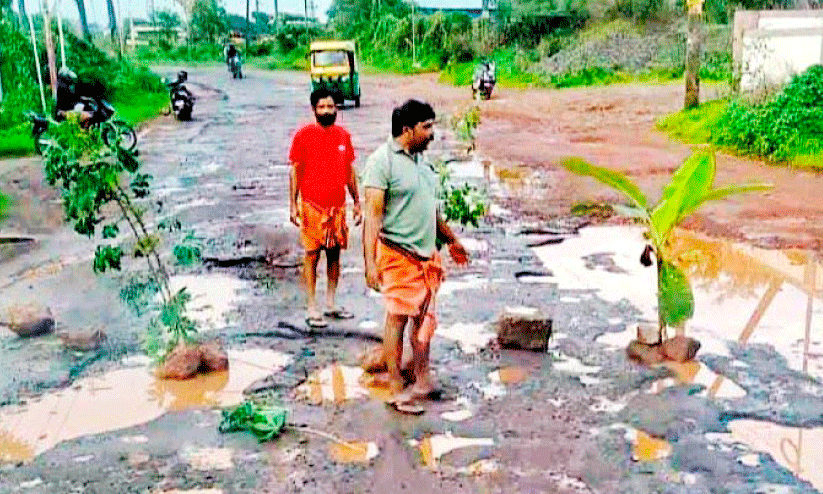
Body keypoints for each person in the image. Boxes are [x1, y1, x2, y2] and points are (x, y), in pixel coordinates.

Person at [362, 99, 469, 413]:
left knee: (423, 321)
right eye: (426, 127)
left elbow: (429, 210)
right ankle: (395, 387)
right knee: (396, 319)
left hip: (425, 258)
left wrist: (452, 240)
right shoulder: (381, 162)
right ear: (407, 130)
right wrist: (369, 264)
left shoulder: (422, 163)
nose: (432, 133)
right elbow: (372, 217)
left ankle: (422, 380)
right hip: (398, 256)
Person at [289, 88, 361, 328]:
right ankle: (312, 307)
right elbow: (295, 171)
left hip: (337, 207)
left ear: (336, 108)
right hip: (311, 205)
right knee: (311, 255)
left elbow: (349, 171)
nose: (327, 111)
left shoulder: (343, 136)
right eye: (322, 107)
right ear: (314, 110)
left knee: (334, 255)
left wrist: (357, 202)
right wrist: (293, 205)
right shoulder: (303, 136)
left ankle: (331, 303)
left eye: (330, 107)